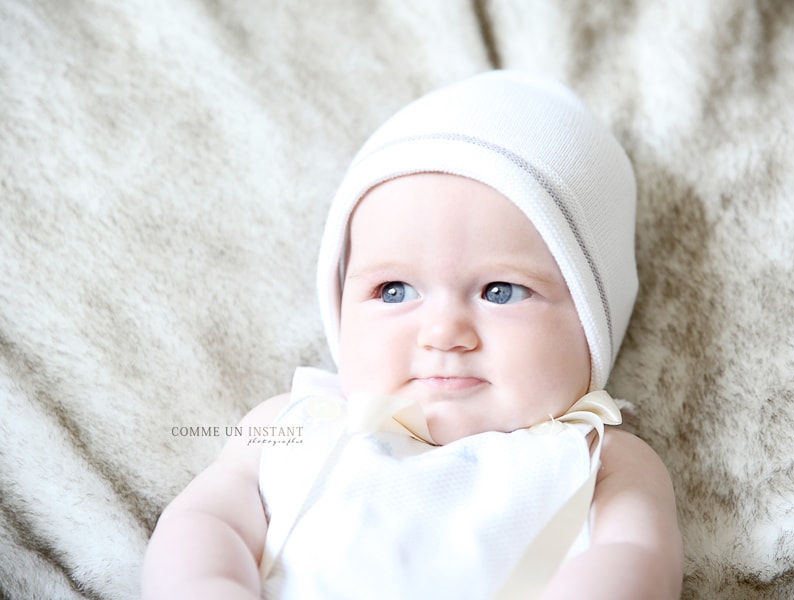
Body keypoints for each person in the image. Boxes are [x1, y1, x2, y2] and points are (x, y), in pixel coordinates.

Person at [142, 70, 683, 599]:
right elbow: (206, 519)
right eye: (396, 291)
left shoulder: (599, 457)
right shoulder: (295, 424)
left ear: (593, 321)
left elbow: (634, 562)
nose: (444, 333)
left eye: (500, 291)